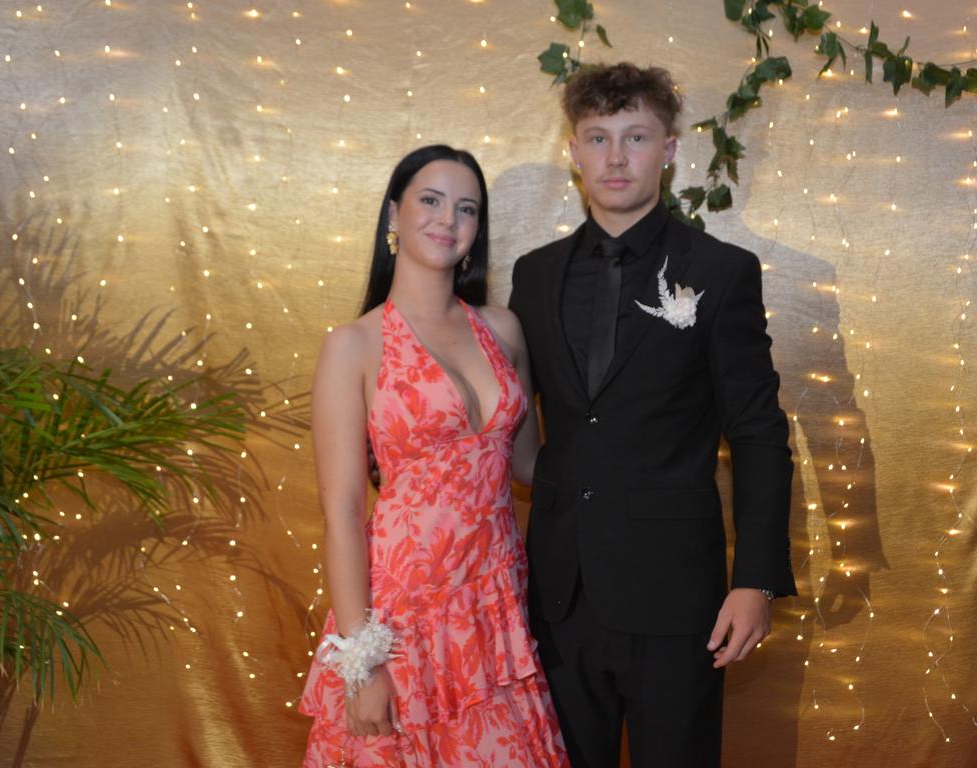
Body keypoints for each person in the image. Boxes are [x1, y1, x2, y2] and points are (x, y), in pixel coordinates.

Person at [508, 63, 797, 767]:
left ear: (668, 148)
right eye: (597, 137)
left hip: (677, 598)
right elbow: (507, 418)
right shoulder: (534, 275)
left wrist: (755, 579)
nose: (615, 156)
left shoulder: (722, 271)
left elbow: (758, 433)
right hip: (558, 593)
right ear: (572, 150)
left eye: (634, 136)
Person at [299, 144, 570, 767]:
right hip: (402, 618)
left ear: (477, 231)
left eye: (466, 208)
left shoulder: (503, 330)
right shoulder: (354, 345)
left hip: (495, 610)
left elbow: (527, 465)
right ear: (394, 214)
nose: (448, 219)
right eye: (430, 200)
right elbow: (341, 512)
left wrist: (640, 449)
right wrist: (362, 665)